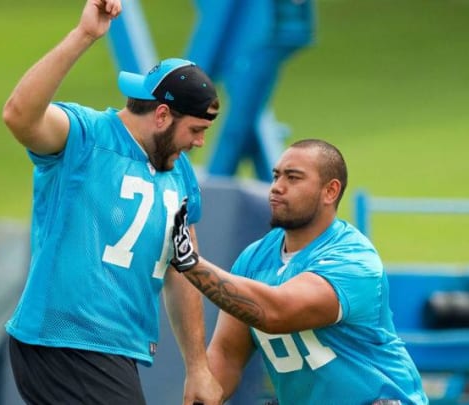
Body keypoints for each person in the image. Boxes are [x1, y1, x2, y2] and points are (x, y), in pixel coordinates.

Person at [1, 1, 223, 404]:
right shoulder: (85, 137)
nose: (199, 142)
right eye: (195, 129)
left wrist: (198, 367)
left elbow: (182, 266)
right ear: (160, 116)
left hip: (117, 351)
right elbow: (19, 115)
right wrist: (84, 35)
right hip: (64, 340)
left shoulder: (181, 174)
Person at [169, 139, 429, 405]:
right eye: (276, 176)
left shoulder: (354, 259)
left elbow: (278, 312)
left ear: (330, 191)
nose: (277, 187)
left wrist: (190, 263)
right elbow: (227, 355)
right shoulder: (253, 258)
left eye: (293, 178)